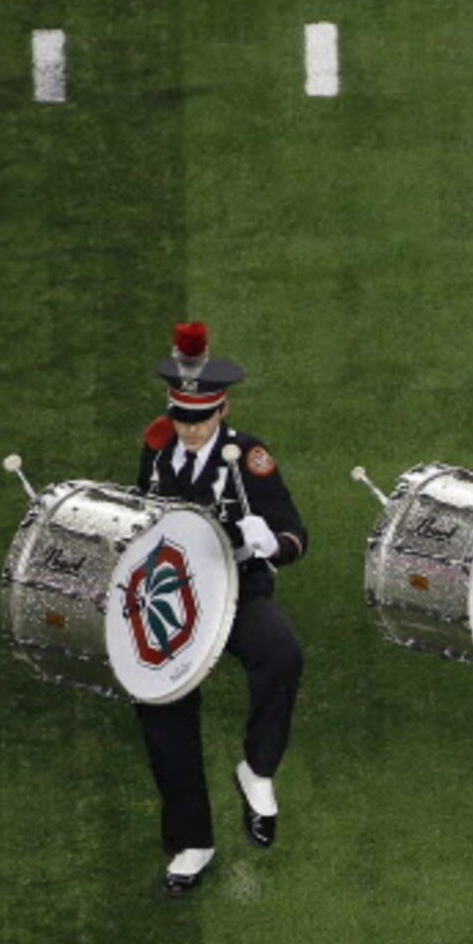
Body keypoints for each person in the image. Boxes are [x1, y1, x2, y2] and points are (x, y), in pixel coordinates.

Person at [128, 322, 308, 893]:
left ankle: (256, 770)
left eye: (201, 418)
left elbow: (294, 533)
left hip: (235, 593)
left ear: (223, 409)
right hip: (171, 600)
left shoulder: (247, 455)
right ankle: (191, 842)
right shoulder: (157, 451)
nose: (190, 429)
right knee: (160, 708)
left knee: (281, 653)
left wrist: (266, 542)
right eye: (181, 417)